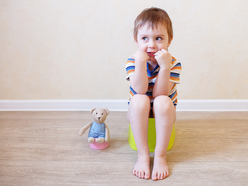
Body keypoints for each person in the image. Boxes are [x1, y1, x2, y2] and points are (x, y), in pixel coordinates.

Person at [126, 7, 182, 180]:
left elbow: (160, 94)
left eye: (158, 38)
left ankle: (160, 156)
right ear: (136, 40)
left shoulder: (173, 63)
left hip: (164, 111)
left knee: (163, 101)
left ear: (169, 40)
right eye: (145, 38)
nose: (151, 45)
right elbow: (140, 90)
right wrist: (140, 64)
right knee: (139, 99)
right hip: (137, 112)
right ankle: (143, 155)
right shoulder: (133, 60)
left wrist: (164, 67)